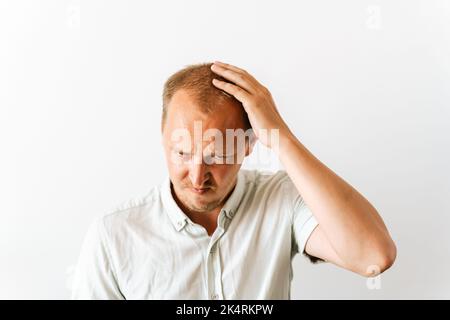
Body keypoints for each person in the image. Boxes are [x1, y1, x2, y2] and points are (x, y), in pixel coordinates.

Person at [71, 61, 396, 299]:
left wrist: (280, 136)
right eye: (182, 153)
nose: (197, 177)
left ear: (250, 145)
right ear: (162, 137)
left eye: (217, 156)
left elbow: (372, 257)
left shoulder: (280, 200)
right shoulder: (113, 236)